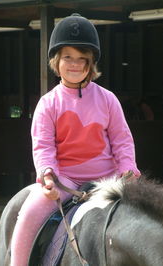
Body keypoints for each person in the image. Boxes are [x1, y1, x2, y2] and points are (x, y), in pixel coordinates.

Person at [10, 13, 140, 266]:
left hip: (108, 181)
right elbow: (43, 145)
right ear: (56, 61)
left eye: (82, 59)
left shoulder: (108, 99)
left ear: (91, 63)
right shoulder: (48, 104)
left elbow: (122, 140)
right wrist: (47, 175)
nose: (75, 64)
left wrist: (128, 170)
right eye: (68, 57)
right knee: (27, 214)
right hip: (64, 180)